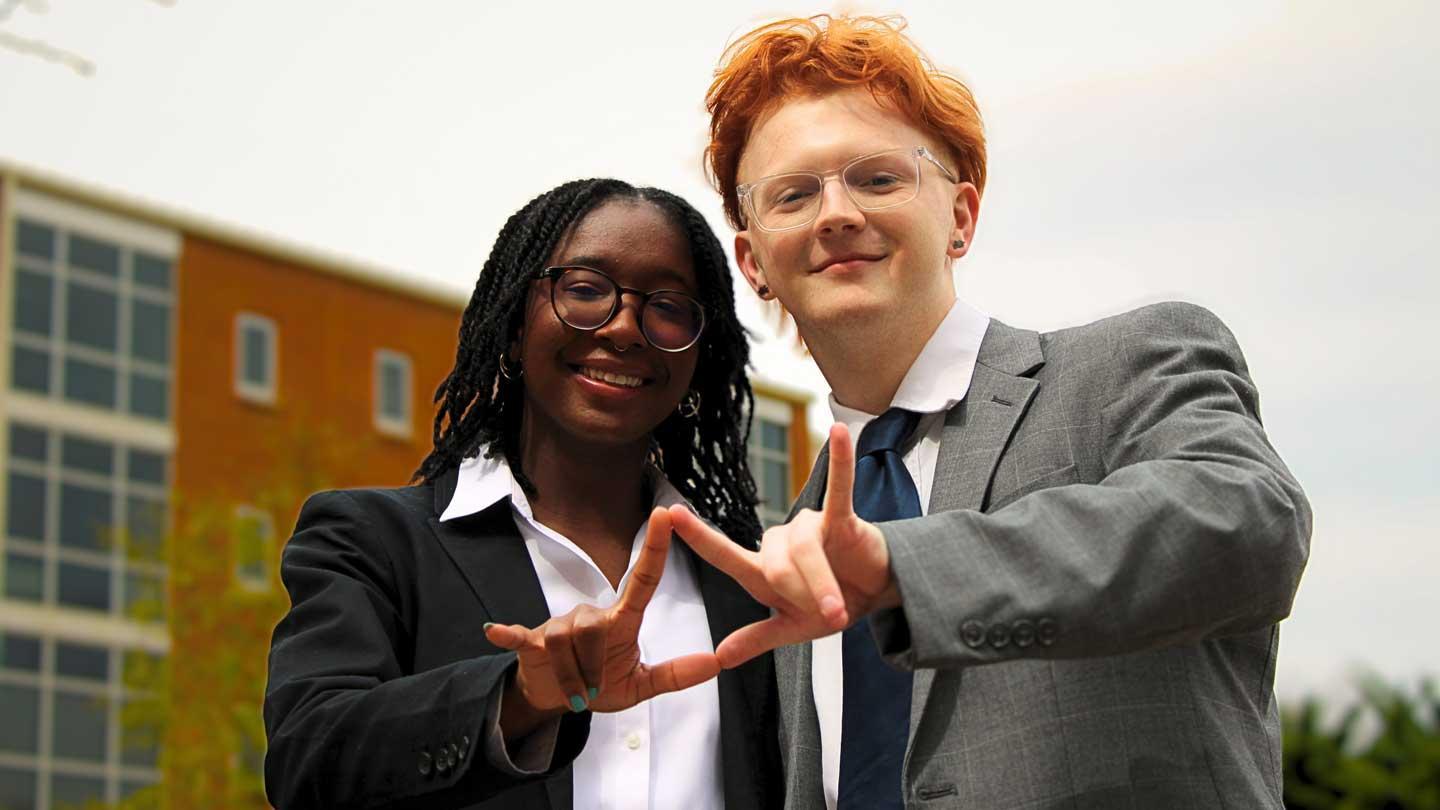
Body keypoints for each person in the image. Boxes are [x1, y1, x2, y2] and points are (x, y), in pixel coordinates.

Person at [668, 14, 1312, 810]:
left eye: (878, 179)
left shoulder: (1133, 364)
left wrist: (903, 568)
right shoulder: (791, 553)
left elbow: (1250, 527)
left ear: (961, 217)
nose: (835, 213)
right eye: (793, 195)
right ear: (753, 263)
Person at [263, 178, 782, 809]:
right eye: (584, 290)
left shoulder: (752, 583)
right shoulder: (371, 541)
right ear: (514, 325)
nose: (625, 328)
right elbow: (307, 761)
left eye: (669, 306)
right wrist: (519, 698)